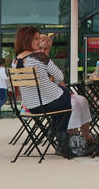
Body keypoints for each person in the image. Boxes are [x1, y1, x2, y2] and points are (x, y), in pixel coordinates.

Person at [13, 26, 73, 157]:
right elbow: (60, 77)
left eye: (39, 38)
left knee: (61, 101)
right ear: (26, 40)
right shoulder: (40, 57)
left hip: (32, 107)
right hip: (47, 104)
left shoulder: (15, 61)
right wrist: (54, 83)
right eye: (36, 39)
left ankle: (54, 130)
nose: (39, 42)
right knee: (66, 97)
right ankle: (61, 140)